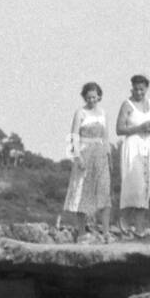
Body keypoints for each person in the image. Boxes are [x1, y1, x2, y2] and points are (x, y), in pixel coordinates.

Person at [63, 82, 112, 242]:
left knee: (104, 191)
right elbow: (73, 136)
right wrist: (77, 157)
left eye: (94, 97)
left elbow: (106, 136)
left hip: (100, 155)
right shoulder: (80, 113)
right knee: (82, 192)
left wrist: (108, 155)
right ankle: (82, 233)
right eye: (89, 97)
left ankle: (106, 233)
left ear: (99, 96)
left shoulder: (103, 113)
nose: (92, 100)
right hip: (84, 153)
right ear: (85, 97)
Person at [116, 75, 150, 238]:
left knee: (145, 187)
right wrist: (139, 127)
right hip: (132, 145)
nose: (139, 92)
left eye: (142, 89)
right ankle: (124, 221)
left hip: (148, 146)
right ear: (132, 88)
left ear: (146, 89)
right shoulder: (127, 105)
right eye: (136, 89)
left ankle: (140, 227)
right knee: (134, 185)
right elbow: (119, 129)